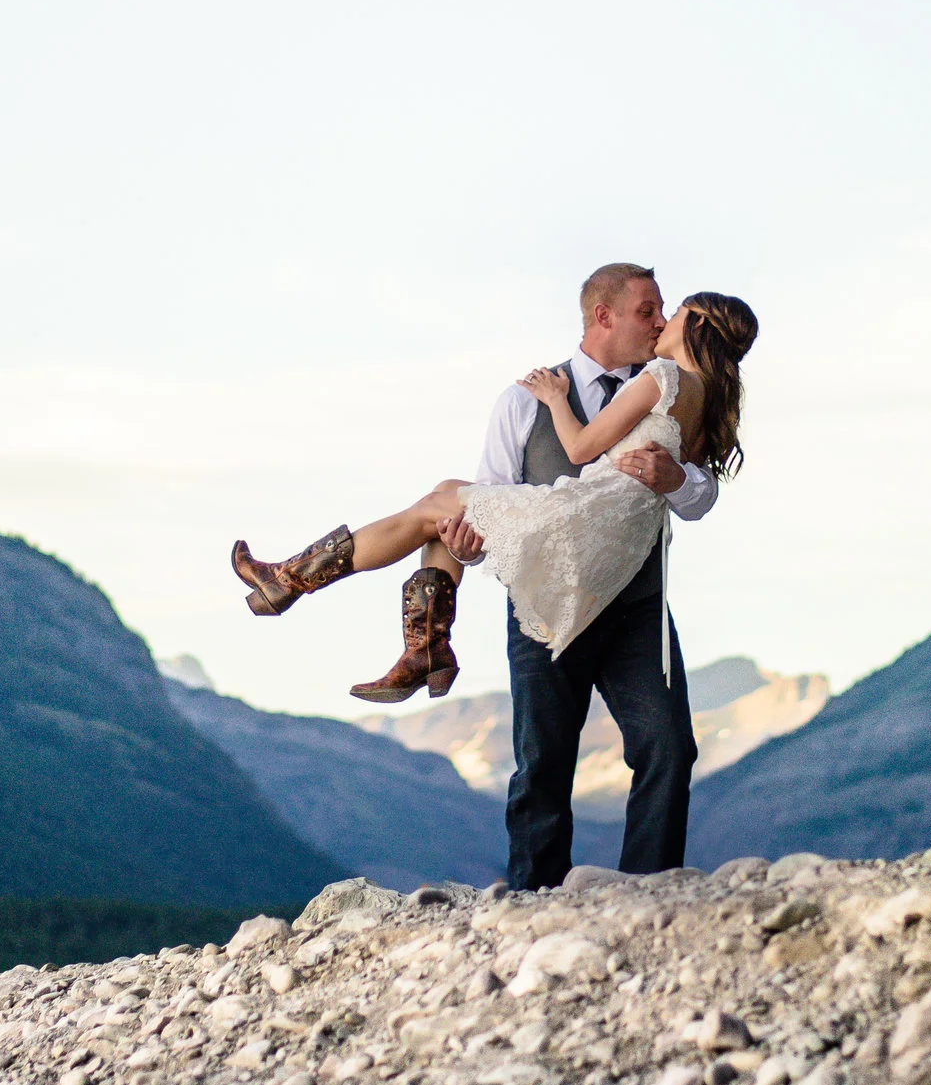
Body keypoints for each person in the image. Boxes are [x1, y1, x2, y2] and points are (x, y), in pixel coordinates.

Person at [228, 265, 756, 887]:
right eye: (649, 310)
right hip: (543, 590)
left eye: (667, 312)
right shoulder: (521, 402)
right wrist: (468, 548)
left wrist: (676, 480)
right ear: (603, 316)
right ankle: (532, 904)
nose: (661, 321)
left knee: (668, 748)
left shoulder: (669, 383)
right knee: (542, 763)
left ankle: (650, 892)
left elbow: (700, 494)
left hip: (634, 600)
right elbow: (495, 506)